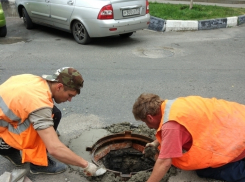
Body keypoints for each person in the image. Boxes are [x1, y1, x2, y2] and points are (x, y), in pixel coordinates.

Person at [0, 67, 101, 176]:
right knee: (43, 133)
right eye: (70, 95)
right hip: (3, 126)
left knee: (55, 113)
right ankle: (36, 163)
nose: (70, 99)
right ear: (59, 87)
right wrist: (86, 165)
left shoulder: (35, 81)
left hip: (5, 116)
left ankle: (8, 146)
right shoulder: (38, 103)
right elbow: (54, 149)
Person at [132, 93, 245, 182]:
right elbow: (176, 127)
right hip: (238, 118)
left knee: (205, 170)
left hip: (238, 140)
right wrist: (155, 143)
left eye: (145, 122)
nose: (148, 126)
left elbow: (165, 162)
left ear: (150, 118)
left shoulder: (171, 126)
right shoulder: (174, 105)